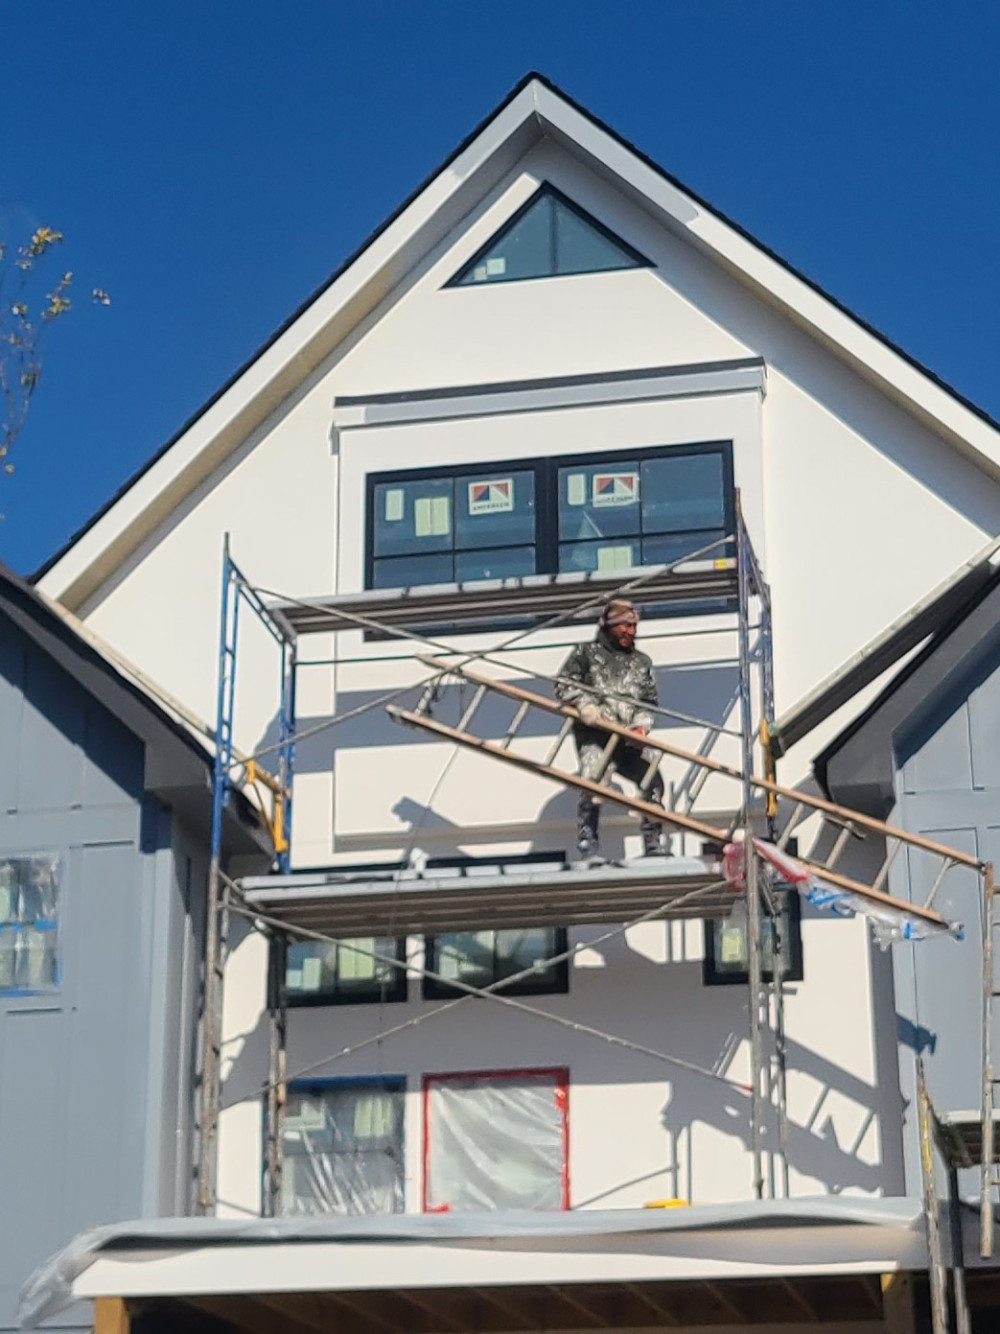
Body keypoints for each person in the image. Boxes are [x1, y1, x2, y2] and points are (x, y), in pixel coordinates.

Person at [556, 598, 667, 862]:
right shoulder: (585, 653)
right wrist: (585, 705)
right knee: (593, 779)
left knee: (652, 780)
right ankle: (588, 840)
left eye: (634, 626)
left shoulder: (641, 662)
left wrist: (641, 727)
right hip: (595, 735)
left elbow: (648, 701)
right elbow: (563, 684)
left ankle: (652, 840)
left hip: (628, 738)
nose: (631, 631)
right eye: (625, 626)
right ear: (610, 625)